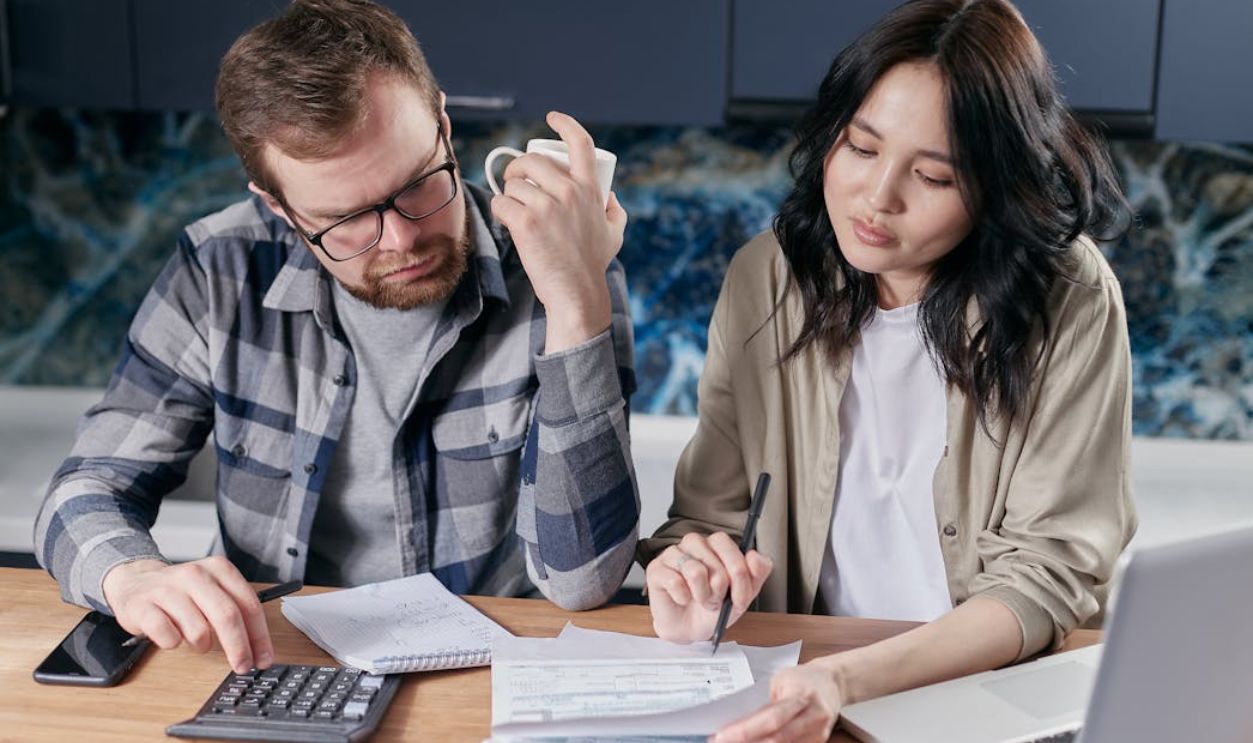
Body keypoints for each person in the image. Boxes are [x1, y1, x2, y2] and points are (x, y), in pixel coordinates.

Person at [34, 0, 639, 676]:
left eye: (416, 184)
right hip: (278, 666)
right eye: (345, 220)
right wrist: (132, 575)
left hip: (485, 674)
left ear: (441, 125)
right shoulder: (219, 267)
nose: (403, 238)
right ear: (277, 205)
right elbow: (85, 489)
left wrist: (576, 297)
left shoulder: (560, 258)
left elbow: (582, 578)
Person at [638, 0, 1136, 740]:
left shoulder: (1069, 298)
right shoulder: (765, 279)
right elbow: (709, 518)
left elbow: (1045, 576)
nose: (877, 198)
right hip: (804, 685)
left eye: (932, 177)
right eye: (860, 148)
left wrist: (842, 680)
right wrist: (689, 579)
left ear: (993, 188)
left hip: (983, 696)